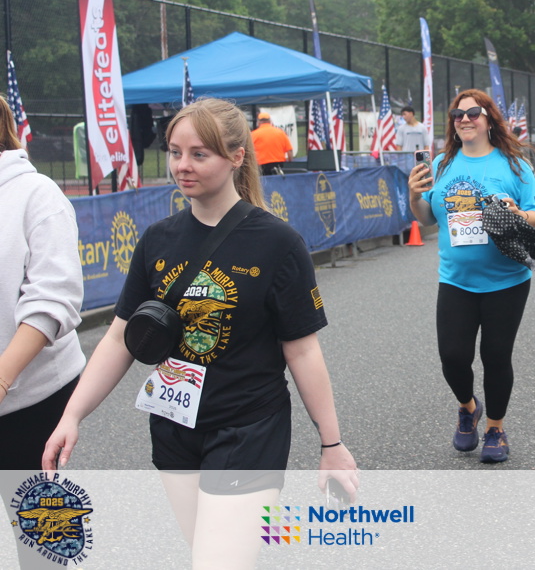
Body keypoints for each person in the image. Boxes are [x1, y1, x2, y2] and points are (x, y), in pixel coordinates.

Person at [43, 98, 357, 568]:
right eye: (175, 153)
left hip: (249, 429)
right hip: (174, 428)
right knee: (206, 554)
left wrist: (331, 445)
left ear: (236, 157)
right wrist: (72, 416)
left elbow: (303, 351)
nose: (182, 166)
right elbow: (119, 338)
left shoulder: (278, 243)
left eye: (198, 154)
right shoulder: (157, 240)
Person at [407, 89, 535, 464]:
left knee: (496, 356)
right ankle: (468, 407)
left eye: (473, 113)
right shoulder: (441, 164)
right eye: (457, 114)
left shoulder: (514, 165)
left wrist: (517, 213)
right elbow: (426, 219)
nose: (464, 119)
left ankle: (496, 429)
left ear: (488, 119)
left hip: (507, 280)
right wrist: (414, 196)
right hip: (456, 279)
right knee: (452, 356)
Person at [0, 96, 85, 469]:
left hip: (32, 401)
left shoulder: (36, 193)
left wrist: (3, 380)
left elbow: (53, 298)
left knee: (40, 509)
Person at [250, 110, 292, 175]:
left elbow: (249, 151)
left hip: (261, 166)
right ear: (270, 121)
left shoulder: (253, 134)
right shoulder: (280, 133)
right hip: (278, 165)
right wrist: (289, 163)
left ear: (258, 122)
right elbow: (289, 151)